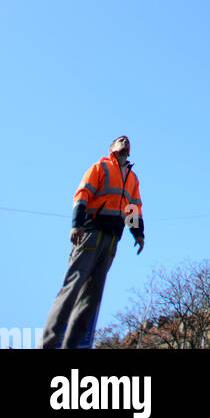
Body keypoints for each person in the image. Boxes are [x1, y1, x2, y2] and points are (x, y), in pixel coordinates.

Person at [43, 134, 145, 349]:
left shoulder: (132, 178)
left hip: (110, 242)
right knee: (71, 290)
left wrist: (138, 234)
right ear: (112, 147)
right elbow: (82, 195)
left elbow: (133, 208)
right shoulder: (100, 167)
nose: (125, 141)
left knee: (90, 301)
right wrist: (76, 224)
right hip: (90, 234)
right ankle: (47, 344)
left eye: (128, 140)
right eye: (120, 139)